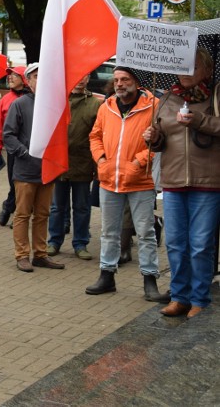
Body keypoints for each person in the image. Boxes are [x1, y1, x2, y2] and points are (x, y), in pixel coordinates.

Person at [144, 48, 219, 317]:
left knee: (200, 244)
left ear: (208, 70)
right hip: (174, 180)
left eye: (194, 65)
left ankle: (199, 299)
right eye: (182, 65)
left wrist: (198, 120)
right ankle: (179, 296)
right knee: (175, 242)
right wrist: (152, 137)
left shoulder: (215, 96)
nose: (186, 71)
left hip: (208, 181)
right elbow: (161, 140)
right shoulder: (167, 99)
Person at [85, 66, 169, 302]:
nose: (120, 84)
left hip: (140, 181)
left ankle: (150, 280)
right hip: (109, 179)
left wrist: (137, 162)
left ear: (136, 82)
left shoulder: (153, 106)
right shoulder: (107, 106)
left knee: (145, 233)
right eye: (117, 80)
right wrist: (101, 160)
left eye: (125, 79)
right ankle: (107, 275)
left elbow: (159, 143)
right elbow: (95, 136)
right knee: (108, 232)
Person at [3, 63, 66, 273]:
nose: (40, 80)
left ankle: (40, 254)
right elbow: (8, 135)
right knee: (22, 214)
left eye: (44, 76)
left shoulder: (54, 104)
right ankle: (22, 255)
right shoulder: (20, 104)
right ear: (28, 81)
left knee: (42, 214)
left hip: (47, 170)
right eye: (36, 76)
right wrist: (24, 153)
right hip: (25, 170)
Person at [46, 74, 101, 261]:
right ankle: (54, 241)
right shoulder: (58, 101)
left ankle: (80, 243)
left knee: (82, 207)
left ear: (88, 78)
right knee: (56, 207)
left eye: (84, 76)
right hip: (59, 163)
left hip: (83, 163)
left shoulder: (95, 104)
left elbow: (98, 136)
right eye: (77, 76)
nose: (79, 80)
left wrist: (97, 166)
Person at [0, 66, 28, 227]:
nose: (10, 78)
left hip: (29, 149)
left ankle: (15, 212)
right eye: (9, 75)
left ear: (24, 78)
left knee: (23, 183)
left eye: (14, 75)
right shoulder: (6, 100)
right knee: (14, 182)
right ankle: (9, 206)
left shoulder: (33, 98)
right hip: (13, 149)